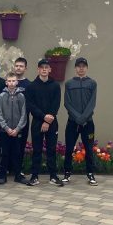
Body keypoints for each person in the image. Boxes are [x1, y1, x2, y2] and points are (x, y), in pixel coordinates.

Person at [26, 58, 63, 186]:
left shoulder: (55, 86)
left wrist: (47, 121)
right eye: (42, 67)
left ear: (50, 69)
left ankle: (53, 176)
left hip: (52, 122)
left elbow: (56, 104)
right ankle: (34, 176)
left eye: (46, 67)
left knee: (51, 150)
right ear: (38, 69)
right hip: (37, 122)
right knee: (36, 150)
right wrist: (43, 117)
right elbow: (30, 105)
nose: (44, 69)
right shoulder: (31, 86)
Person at [63, 57, 99, 185]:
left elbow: (92, 103)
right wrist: (77, 118)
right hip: (72, 122)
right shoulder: (69, 83)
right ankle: (67, 173)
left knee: (89, 149)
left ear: (87, 68)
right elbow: (67, 103)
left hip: (87, 123)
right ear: (75, 68)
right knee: (69, 148)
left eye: (83, 66)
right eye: (79, 66)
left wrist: (83, 118)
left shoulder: (92, 83)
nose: (81, 68)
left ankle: (90, 174)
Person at [0, 72, 27, 185]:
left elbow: (24, 114)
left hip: (17, 131)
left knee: (17, 153)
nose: (11, 83)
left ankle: (18, 175)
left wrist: (17, 129)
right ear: (6, 82)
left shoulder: (21, 96)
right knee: (4, 153)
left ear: (17, 82)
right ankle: (2, 176)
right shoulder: (2, 96)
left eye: (13, 81)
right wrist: (6, 128)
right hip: (5, 131)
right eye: (9, 81)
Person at [12, 57, 31, 167]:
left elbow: (30, 104)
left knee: (21, 145)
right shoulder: (9, 82)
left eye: (21, 66)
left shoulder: (29, 85)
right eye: (17, 66)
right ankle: (8, 168)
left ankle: (18, 169)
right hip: (9, 120)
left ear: (25, 68)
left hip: (23, 120)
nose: (18, 68)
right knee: (8, 145)